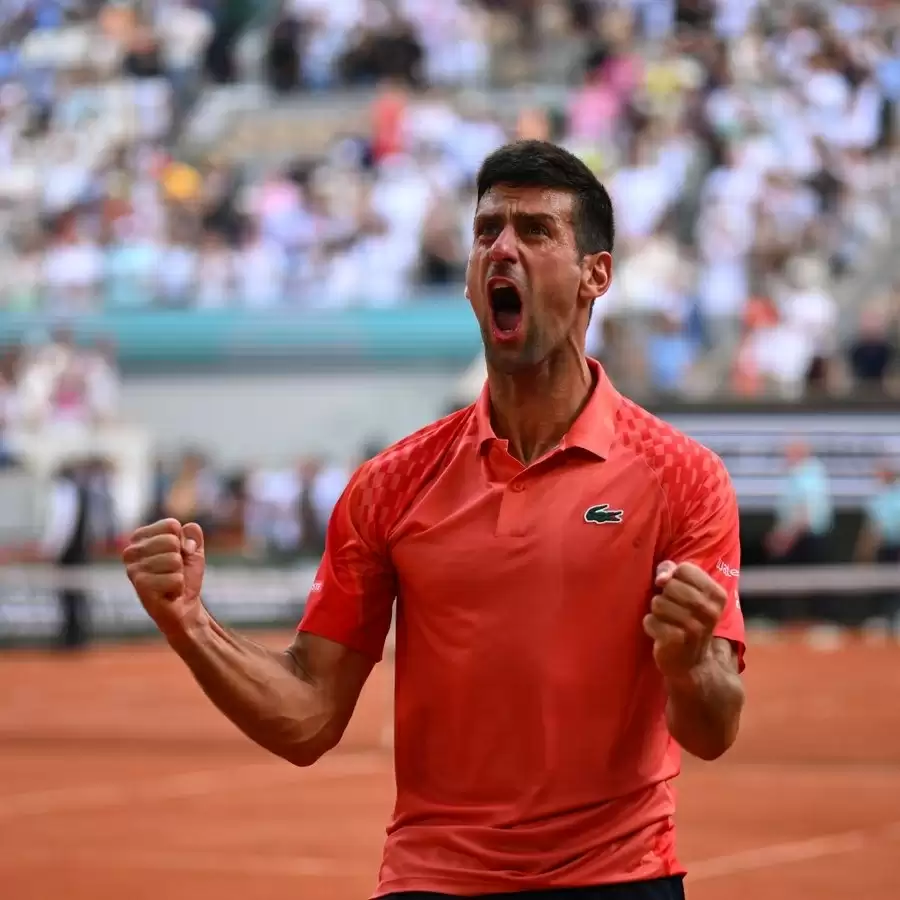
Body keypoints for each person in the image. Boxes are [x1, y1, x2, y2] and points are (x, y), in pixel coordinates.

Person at [123, 140, 746, 900]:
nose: (502, 248)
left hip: (617, 875)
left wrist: (689, 662)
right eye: (487, 231)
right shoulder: (391, 484)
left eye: (536, 230)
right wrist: (190, 623)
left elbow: (713, 730)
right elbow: (307, 716)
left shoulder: (681, 474)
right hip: (434, 878)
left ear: (597, 275)